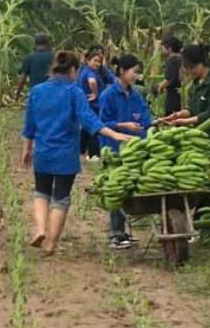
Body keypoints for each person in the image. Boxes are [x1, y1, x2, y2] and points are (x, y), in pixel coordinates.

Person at [23, 51, 131, 254]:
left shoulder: (37, 91)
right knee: (61, 198)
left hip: (43, 152)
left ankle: (39, 229)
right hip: (65, 156)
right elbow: (89, 119)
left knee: (41, 192)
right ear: (73, 70)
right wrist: (114, 134)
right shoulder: (74, 92)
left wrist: (27, 149)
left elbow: (30, 124)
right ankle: (52, 244)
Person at [161, 43, 210, 205]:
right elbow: (192, 109)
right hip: (204, 139)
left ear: (201, 64)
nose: (189, 72)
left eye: (190, 67)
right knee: (203, 180)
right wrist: (178, 115)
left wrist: (184, 122)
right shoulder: (195, 85)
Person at [98, 55, 154, 250]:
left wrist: (150, 131)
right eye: (134, 71)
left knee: (131, 188)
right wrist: (123, 125)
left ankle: (124, 231)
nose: (136, 76)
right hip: (113, 149)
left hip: (135, 150)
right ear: (122, 71)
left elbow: (146, 119)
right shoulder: (108, 95)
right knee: (117, 188)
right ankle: (116, 233)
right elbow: (102, 123)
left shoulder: (136, 95)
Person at [77, 47, 112, 158]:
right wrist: (95, 93)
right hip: (93, 104)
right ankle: (93, 154)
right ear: (88, 61)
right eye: (95, 61)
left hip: (85, 104)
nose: (97, 64)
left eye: (99, 62)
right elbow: (92, 82)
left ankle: (81, 150)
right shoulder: (90, 72)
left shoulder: (83, 70)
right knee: (95, 128)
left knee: (86, 128)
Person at [157, 35, 184, 116]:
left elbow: (169, 79)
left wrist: (160, 86)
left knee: (171, 116)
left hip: (173, 95)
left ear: (169, 49)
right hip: (182, 92)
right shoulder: (182, 58)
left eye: (163, 48)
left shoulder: (171, 60)